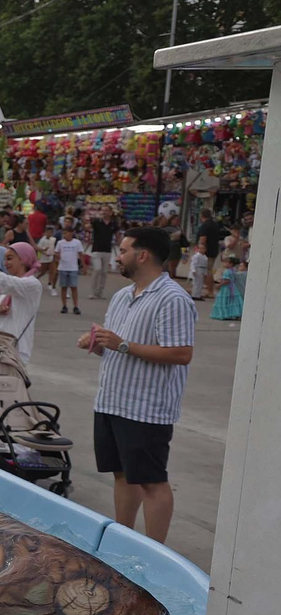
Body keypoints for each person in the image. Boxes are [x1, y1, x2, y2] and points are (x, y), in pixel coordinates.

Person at [77, 225, 195, 544]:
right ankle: (125, 541)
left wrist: (122, 344)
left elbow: (181, 353)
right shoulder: (122, 296)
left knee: (151, 481)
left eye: (124, 250)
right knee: (122, 475)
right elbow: (117, 343)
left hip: (146, 407)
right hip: (112, 400)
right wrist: (97, 342)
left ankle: (156, 551)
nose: (119, 256)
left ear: (142, 256)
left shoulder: (172, 299)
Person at [54, 224, 86, 315]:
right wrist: (57, 258)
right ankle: (64, 305)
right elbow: (56, 253)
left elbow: (81, 254)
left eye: (66, 233)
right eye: (64, 233)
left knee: (74, 287)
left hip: (73, 267)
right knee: (63, 287)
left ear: (72, 233)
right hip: (63, 267)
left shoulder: (77, 243)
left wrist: (83, 265)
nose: (65, 235)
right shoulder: (60, 243)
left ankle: (75, 306)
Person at [88, 207, 119, 300]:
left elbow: (117, 235)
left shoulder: (113, 224)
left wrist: (119, 243)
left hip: (107, 249)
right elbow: (87, 227)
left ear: (110, 212)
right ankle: (93, 292)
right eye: (103, 210)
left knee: (104, 272)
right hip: (96, 249)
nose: (104, 212)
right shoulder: (97, 222)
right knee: (97, 269)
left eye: (106, 211)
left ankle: (100, 292)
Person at [211, 253, 244, 321]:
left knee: (224, 300)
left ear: (231, 264)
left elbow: (226, 281)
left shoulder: (227, 272)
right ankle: (232, 313)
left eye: (226, 263)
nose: (224, 264)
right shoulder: (233, 271)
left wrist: (219, 285)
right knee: (231, 300)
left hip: (226, 288)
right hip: (233, 287)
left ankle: (224, 314)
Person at [36, 225, 58, 297]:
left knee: (53, 271)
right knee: (43, 271)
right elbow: (39, 248)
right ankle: (36, 279)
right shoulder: (42, 240)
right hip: (44, 258)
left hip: (51, 258)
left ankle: (50, 283)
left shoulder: (53, 239)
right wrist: (44, 252)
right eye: (48, 232)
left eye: (50, 233)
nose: (49, 234)